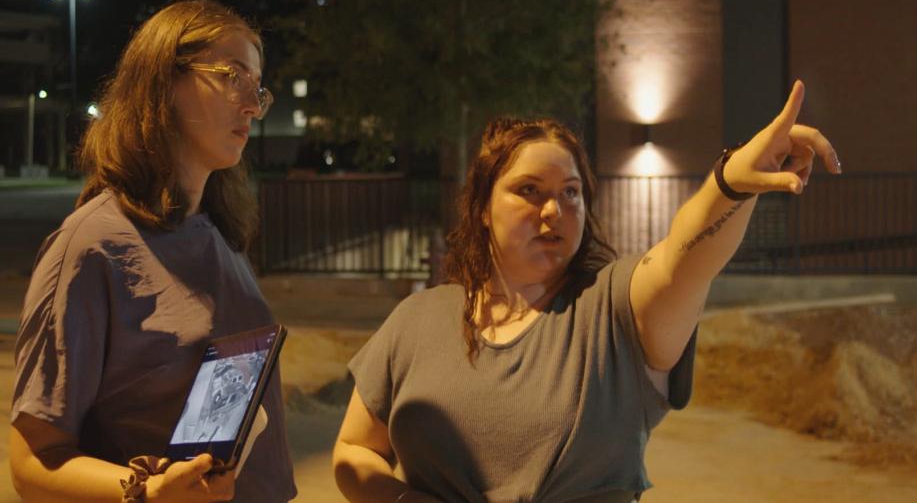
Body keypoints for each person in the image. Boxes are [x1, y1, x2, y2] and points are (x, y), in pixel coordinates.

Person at [333, 81, 841, 502]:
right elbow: (355, 452)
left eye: (570, 193)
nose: (553, 211)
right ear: (483, 209)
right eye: (529, 190)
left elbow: (682, 260)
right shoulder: (418, 319)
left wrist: (730, 183)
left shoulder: (614, 307)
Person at [9, 0, 296, 502]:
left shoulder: (216, 233)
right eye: (232, 76)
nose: (251, 104)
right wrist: (150, 491)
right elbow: (32, 463)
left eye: (257, 87)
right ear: (163, 81)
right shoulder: (92, 247)